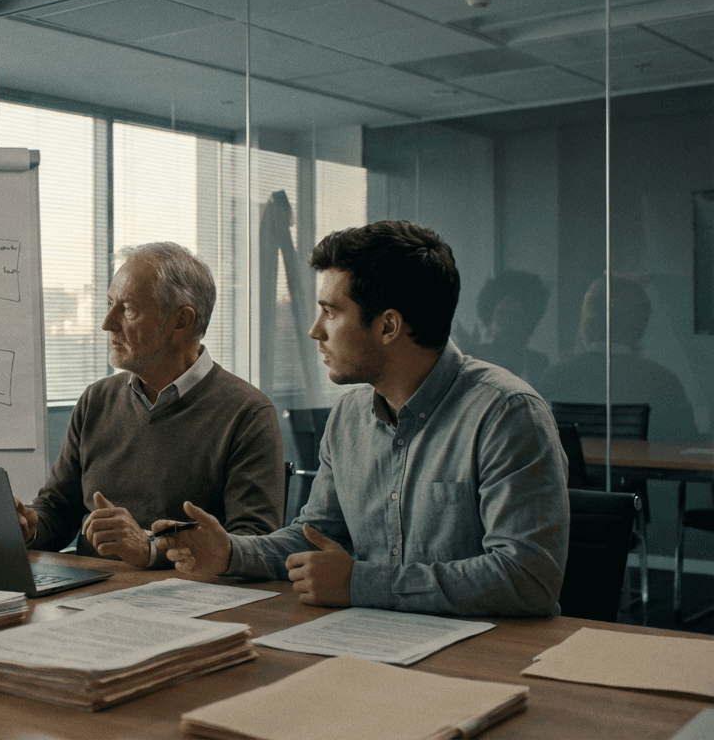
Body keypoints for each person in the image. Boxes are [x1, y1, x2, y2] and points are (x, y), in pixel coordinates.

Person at [157, 221, 569, 617]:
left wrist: (361, 584)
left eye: (331, 313)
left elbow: (529, 578)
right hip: (374, 645)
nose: (315, 331)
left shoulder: (507, 414)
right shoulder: (348, 415)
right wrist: (230, 552)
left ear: (388, 325)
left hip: (490, 659)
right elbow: (316, 536)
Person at [13, 242, 284, 569]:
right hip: (92, 597)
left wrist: (151, 548)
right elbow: (59, 510)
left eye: (127, 308)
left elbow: (252, 542)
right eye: (110, 303)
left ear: (181, 322)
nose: (107, 323)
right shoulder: (95, 401)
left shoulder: (249, 414)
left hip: (187, 605)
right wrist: (30, 527)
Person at [537, 275, 701, 443]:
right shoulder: (664, 382)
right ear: (641, 326)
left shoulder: (555, 377)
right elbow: (686, 447)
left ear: (589, 321)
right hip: (640, 469)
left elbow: (535, 443)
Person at [459, 270, 550, 385]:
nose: (508, 323)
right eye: (502, 315)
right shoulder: (474, 358)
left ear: (529, 322)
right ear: (490, 319)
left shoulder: (539, 362)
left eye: (515, 316)